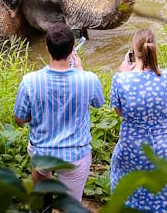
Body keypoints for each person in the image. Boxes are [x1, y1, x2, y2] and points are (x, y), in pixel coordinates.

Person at [13, 23, 104, 202]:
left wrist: (37, 115)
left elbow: (19, 119)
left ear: (47, 48)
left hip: (42, 152)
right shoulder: (89, 79)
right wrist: (81, 70)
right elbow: (98, 103)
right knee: (71, 204)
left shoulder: (30, 81)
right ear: (72, 49)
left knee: (41, 197)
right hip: (76, 155)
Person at [110, 28, 167, 212]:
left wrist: (124, 73)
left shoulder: (120, 80)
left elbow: (119, 112)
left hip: (133, 147)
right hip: (165, 146)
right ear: (154, 48)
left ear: (132, 52)